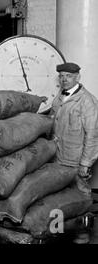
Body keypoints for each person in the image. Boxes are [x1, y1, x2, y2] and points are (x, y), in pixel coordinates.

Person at [50, 62, 98, 243]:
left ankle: (82, 235)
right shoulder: (59, 98)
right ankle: (58, 234)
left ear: (78, 77)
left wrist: (86, 163)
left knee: (82, 199)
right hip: (57, 158)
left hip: (75, 161)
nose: (64, 79)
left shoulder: (88, 101)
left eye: (68, 76)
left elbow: (93, 135)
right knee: (58, 198)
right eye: (61, 76)